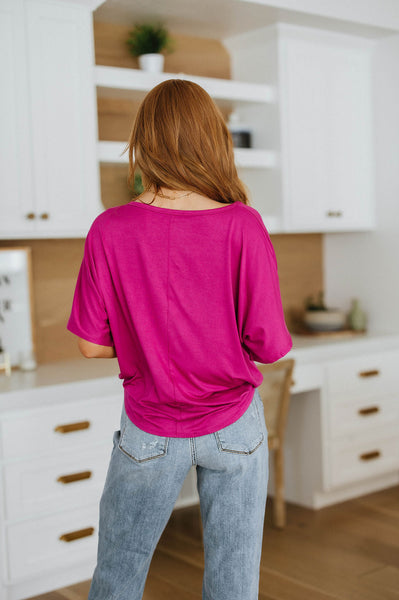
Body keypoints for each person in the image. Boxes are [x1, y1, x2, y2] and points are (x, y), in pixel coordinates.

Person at [67, 78, 292, 600]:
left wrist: (148, 338)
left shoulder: (110, 228)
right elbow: (271, 346)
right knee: (234, 583)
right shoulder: (243, 224)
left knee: (118, 576)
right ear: (213, 140)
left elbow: (90, 344)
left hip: (150, 429)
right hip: (236, 427)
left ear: (143, 142)